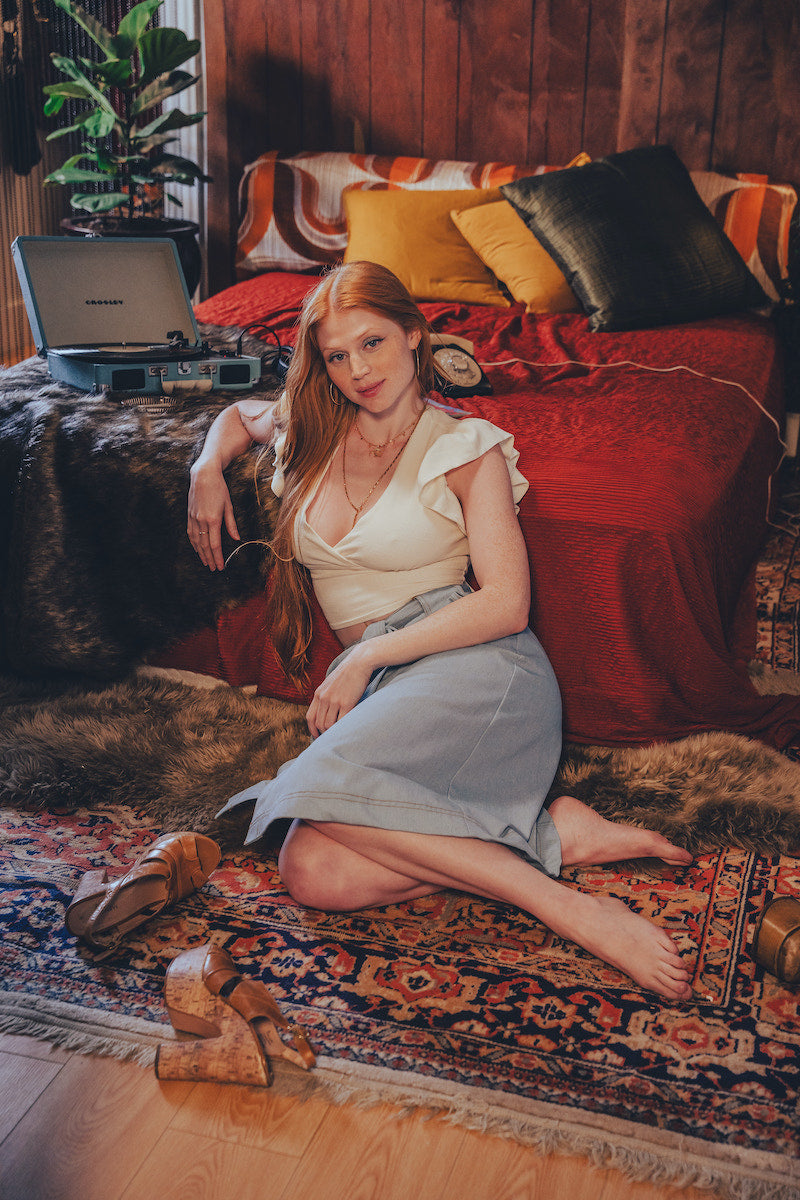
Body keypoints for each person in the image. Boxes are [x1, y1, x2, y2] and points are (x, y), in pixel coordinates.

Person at [187, 260, 694, 1002]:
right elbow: (237, 418)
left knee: (308, 795)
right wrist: (205, 468)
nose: (359, 371)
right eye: (337, 355)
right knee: (312, 871)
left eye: (373, 343)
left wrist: (366, 657)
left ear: (414, 335)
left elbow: (507, 603)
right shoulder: (310, 426)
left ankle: (568, 908)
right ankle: (551, 838)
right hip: (392, 681)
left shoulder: (465, 447)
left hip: (476, 663)